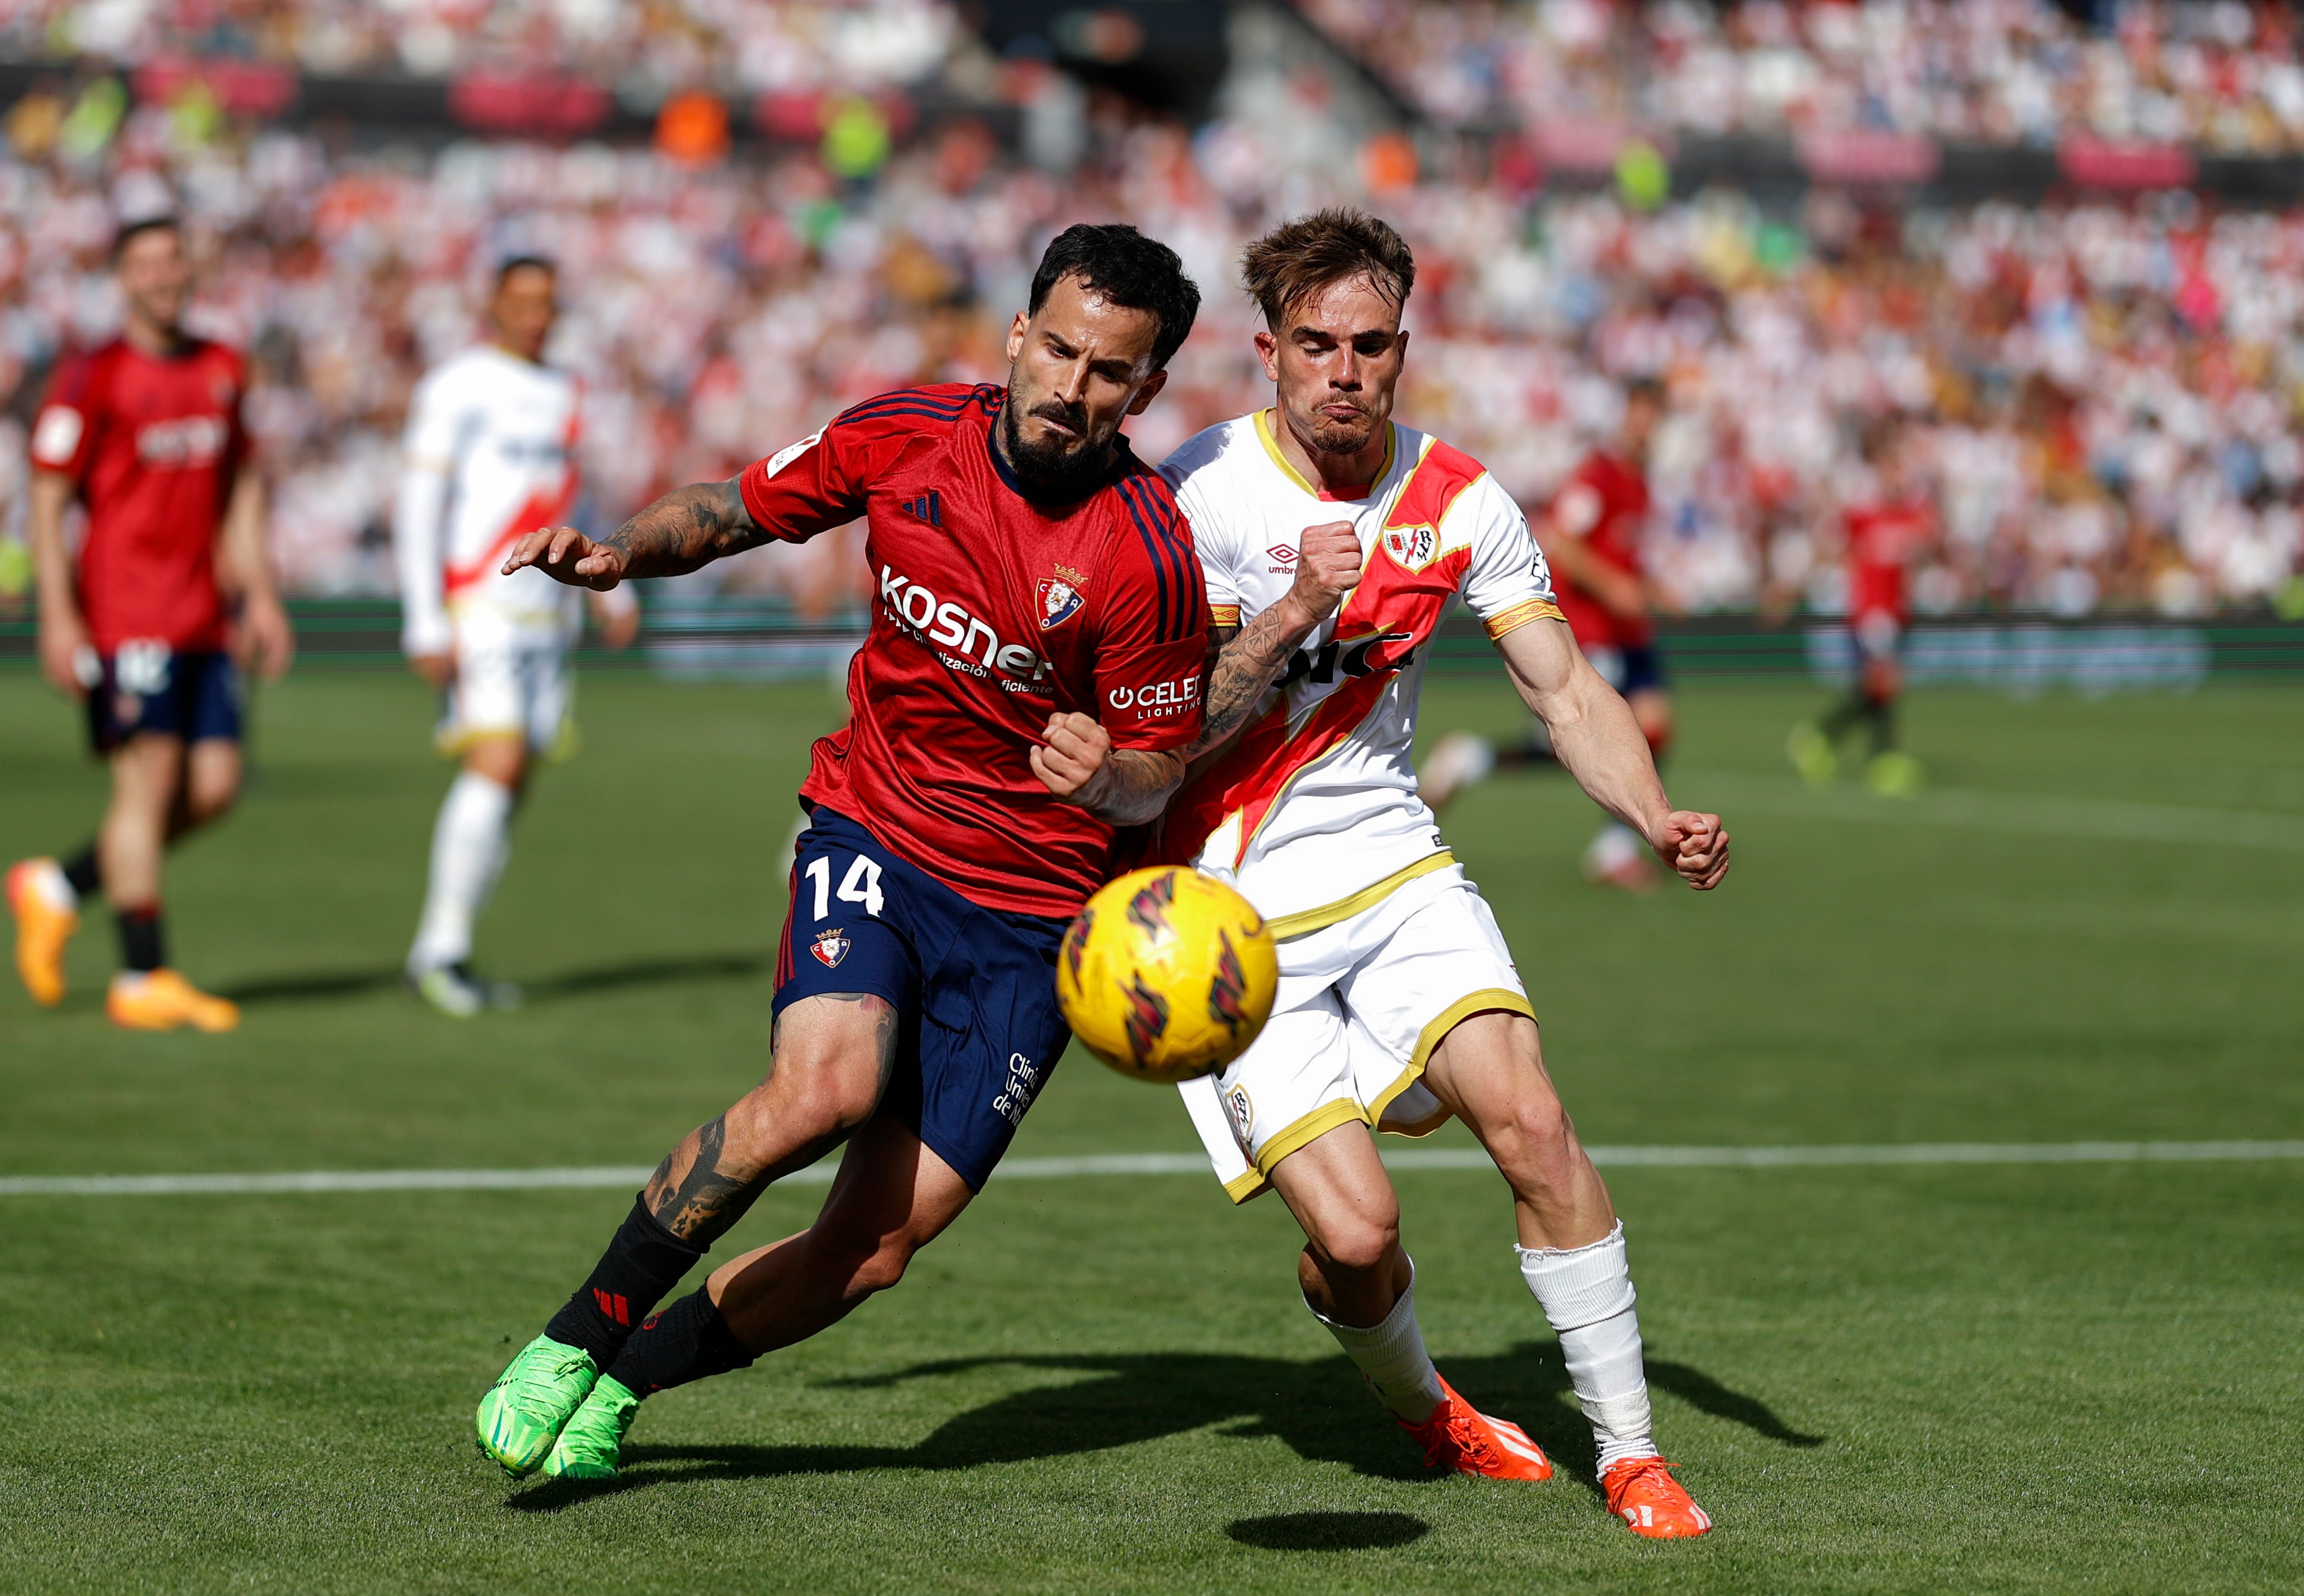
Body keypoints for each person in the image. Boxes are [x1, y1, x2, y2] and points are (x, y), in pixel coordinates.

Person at [473, 224, 1210, 1482]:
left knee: (871, 1250)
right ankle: (568, 1337)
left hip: (1033, 922)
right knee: (827, 1088)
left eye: (1110, 374)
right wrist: (618, 552)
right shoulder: (907, 430)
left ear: (1145, 391)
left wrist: (1112, 778)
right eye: (1063, 351)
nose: (1072, 389)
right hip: (875, 827)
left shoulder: (1146, 556)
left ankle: (625, 1381)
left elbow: (1163, 765)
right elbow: (733, 510)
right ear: (1020, 333)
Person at [1158, 210, 1728, 1539]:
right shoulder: (1197, 494)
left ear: (1402, 349)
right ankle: (1426, 1408)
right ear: (1269, 353)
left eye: (1368, 345)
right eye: (1316, 345)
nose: (1343, 371)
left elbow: (1564, 683)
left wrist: (1649, 812)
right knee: (1355, 1244)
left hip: (1396, 868)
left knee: (1533, 1123)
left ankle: (1633, 1454)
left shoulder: (1459, 499)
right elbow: (1152, 720)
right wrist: (1289, 609)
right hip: (1234, 920)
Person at [3, 216, 292, 1031]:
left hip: (202, 614)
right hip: (125, 614)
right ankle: (141, 976)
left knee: (215, 788)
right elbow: (48, 495)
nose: (165, 274)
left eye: (175, 257)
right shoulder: (91, 374)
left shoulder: (223, 367)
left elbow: (238, 487)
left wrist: (261, 595)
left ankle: (56, 887)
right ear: (122, 278)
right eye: (146, 262)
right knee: (149, 783)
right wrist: (58, 617)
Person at [396, 256, 639, 1016]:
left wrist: (613, 581)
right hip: (484, 604)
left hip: (550, 615)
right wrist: (424, 616)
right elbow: (418, 499)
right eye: (522, 301)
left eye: (546, 302)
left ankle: (449, 948)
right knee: (494, 764)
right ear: (492, 304)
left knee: (513, 780)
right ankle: (437, 951)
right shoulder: (459, 384)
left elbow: (578, 494)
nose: (535, 314)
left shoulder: (566, 391)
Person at [1417, 378, 1674, 891]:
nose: (1648, 424)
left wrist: (1653, 590)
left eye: (1656, 415)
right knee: (1579, 740)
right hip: (1595, 629)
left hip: (1629, 632)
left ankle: (1613, 846)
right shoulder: (1598, 475)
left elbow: (1623, 554)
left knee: (1650, 726)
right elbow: (1565, 544)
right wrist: (1616, 586)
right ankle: (1472, 759)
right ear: (1628, 414)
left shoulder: (1639, 479)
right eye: (1642, 412)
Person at [1789, 421, 1930, 797]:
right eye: (1891, 469)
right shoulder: (1863, 515)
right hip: (1872, 613)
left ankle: (1820, 737)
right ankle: (1883, 759)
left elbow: (1922, 552)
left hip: (1896, 614)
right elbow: (1831, 539)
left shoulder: (1908, 516)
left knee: (1876, 688)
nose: (1897, 477)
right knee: (1885, 684)